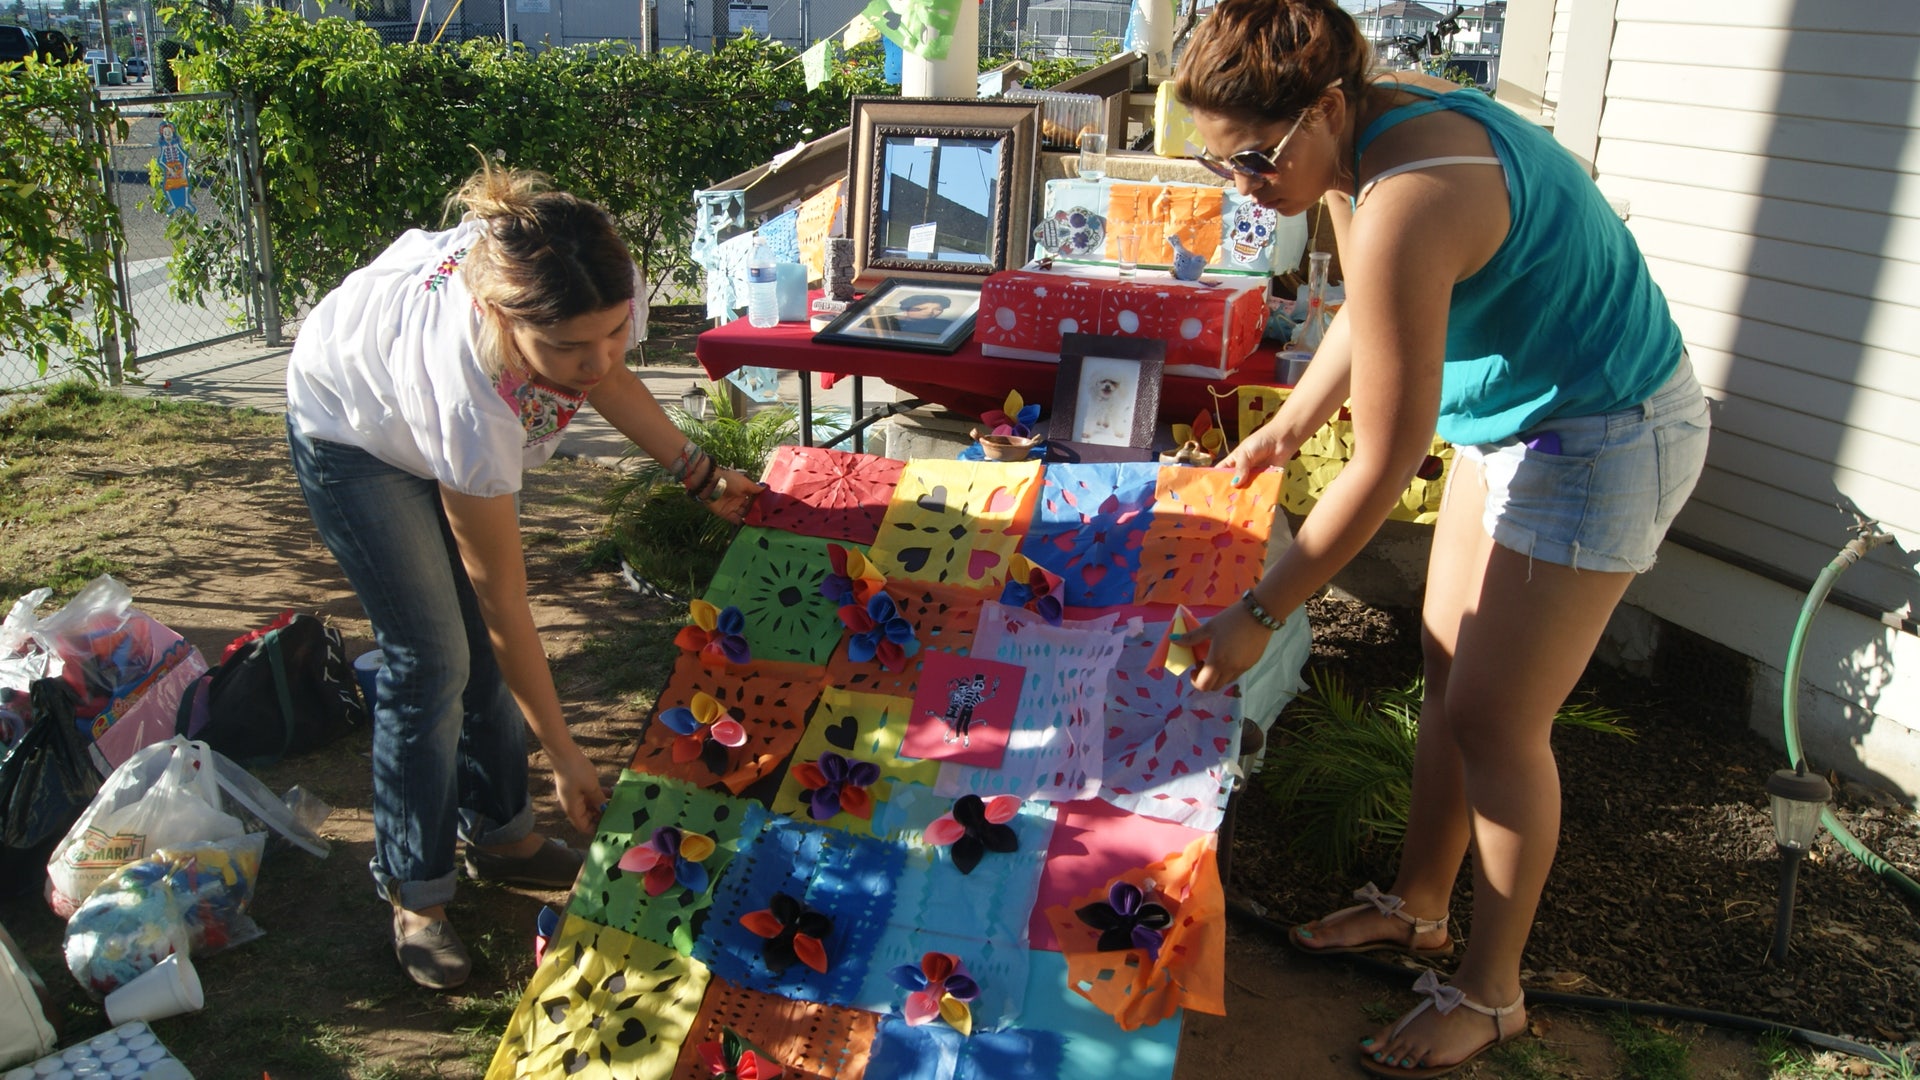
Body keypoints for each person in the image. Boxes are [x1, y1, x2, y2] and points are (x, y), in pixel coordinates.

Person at [1172, 1, 1710, 1075]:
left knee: (1497, 721)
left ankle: (1491, 993)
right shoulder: (1355, 141)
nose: (1244, 187)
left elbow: (1384, 463)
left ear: (1327, 106)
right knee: (1449, 663)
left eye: (1256, 161)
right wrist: (1289, 423)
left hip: (1603, 435)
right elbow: (1368, 311)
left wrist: (1263, 610)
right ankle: (1418, 907)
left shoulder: (1416, 192)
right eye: (1217, 162)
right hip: (1517, 421)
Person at [285, 159, 761, 990]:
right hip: (353, 430)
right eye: (569, 348)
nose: (598, 359)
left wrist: (699, 473)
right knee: (434, 657)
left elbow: (611, 375)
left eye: (612, 333)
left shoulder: (591, 277)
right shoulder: (469, 398)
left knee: (468, 648)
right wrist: (564, 754)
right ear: (500, 319)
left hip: (417, 402)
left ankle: (502, 836)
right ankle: (416, 892)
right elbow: (503, 600)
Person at [883, 293, 952, 335]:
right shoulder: (884, 322)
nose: (930, 312)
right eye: (923, 308)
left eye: (938, 309)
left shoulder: (946, 325)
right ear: (906, 308)